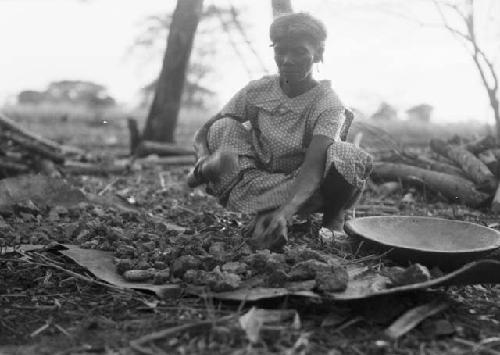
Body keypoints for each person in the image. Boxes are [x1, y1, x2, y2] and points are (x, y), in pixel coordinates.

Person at [187, 12, 372, 251]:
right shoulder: (258, 90)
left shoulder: (328, 103)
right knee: (224, 126)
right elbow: (204, 131)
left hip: (305, 183)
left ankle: (331, 217)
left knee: (347, 155)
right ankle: (265, 210)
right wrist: (203, 159)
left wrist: (285, 213)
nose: (287, 60)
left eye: (299, 52)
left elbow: (314, 168)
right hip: (255, 181)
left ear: (318, 55)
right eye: (280, 51)